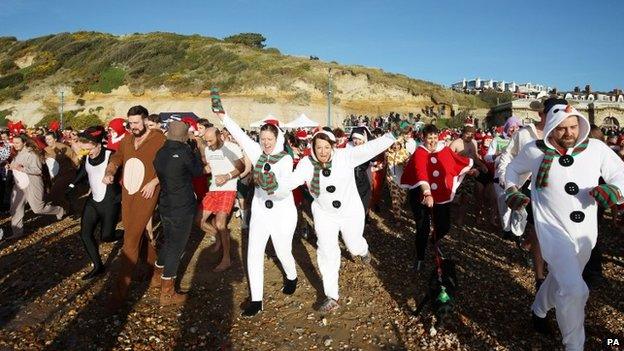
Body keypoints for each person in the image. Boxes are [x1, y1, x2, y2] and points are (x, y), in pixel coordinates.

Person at [504, 103, 624, 351]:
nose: (569, 133)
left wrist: (615, 190)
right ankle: (574, 345)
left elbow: (620, 173)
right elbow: (512, 170)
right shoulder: (535, 151)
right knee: (574, 289)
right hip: (551, 231)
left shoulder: (596, 149)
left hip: (585, 234)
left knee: (563, 279)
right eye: (562, 129)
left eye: (573, 126)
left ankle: (538, 310)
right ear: (549, 128)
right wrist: (511, 190)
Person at [284, 127, 396, 312]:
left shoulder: (345, 156)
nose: (322, 152)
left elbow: (370, 148)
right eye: (318, 147)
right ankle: (332, 295)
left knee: (353, 245)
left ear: (332, 146)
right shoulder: (307, 163)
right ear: (313, 147)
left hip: (350, 211)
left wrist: (391, 135)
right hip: (324, 213)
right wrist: (271, 184)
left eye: (326, 147)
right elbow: (292, 180)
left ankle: (363, 249)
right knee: (327, 250)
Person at [218, 113, 299, 317]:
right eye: (262, 139)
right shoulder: (257, 152)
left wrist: (274, 188)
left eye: (269, 139)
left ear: (277, 139)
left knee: (282, 252)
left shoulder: (286, 159)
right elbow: (241, 136)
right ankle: (257, 300)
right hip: (261, 211)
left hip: (283, 213)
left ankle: (291, 276)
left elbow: (285, 188)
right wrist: (223, 116)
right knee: (253, 253)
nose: (265, 143)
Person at [104, 105, 166, 309]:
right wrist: (111, 170)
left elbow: (168, 166)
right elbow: (117, 157)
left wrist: (155, 181)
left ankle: (120, 291)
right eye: (130, 123)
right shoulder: (127, 139)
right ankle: (154, 268)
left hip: (147, 193)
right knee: (136, 231)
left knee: (129, 239)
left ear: (146, 120)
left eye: (136, 123)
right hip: (128, 192)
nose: (133, 127)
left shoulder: (159, 139)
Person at [401, 124, 475, 271]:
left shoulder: (444, 150)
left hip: (441, 194)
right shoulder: (420, 153)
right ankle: (420, 257)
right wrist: (427, 193)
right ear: (423, 137)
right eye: (429, 138)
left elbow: (454, 163)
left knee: (445, 225)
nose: (433, 141)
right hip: (420, 193)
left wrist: (468, 170)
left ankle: (433, 240)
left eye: (435, 137)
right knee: (423, 227)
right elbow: (421, 172)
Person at [153, 120, 204, 305]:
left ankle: (157, 277)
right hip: (182, 205)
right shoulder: (184, 152)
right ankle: (167, 293)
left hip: (165, 203)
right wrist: (197, 151)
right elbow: (198, 171)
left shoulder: (160, 152)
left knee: (168, 241)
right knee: (177, 246)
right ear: (184, 136)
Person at [67, 126, 122, 280]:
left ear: (98, 144)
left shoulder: (111, 154)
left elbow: (123, 170)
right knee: (85, 234)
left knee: (107, 236)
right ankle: (98, 266)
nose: (86, 152)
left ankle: (129, 235)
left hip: (110, 201)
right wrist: (72, 185)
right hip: (93, 201)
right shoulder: (87, 156)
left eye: (89, 148)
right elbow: (85, 171)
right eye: (84, 149)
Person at [200, 127, 244, 272]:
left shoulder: (231, 148)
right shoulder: (208, 149)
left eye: (211, 140)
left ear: (219, 136)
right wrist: (203, 169)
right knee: (199, 220)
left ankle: (226, 259)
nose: (209, 144)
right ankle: (218, 237)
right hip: (213, 189)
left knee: (220, 223)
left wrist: (226, 176)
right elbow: (211, 167)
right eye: (206, 141)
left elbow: (241, 167)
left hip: (228, 189)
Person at [7, 134, 65, 238]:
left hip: (33, 184)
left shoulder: (32, 154)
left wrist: (22, 168)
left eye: (17, 143)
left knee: (38, 208)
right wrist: (9, 166)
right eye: (14, 142)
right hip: (19, 185)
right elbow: (16, 166)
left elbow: (38, 170)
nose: (14, 145)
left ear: (24, 143)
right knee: (15, 208)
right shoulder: (17, 153)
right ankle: (17, 233)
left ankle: (58, 210)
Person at [44, 131, 79, 212]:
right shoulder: (45, 150)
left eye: (50, 139)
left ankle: (70, 209)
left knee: (59, 193)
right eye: (46, 139)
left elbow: (75, 159)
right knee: (59, 194)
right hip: (54, 176)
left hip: (66, 174)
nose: (48, 141)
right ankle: (66, 209)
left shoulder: (63, 147)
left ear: (55, 139)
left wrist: (74, 170)